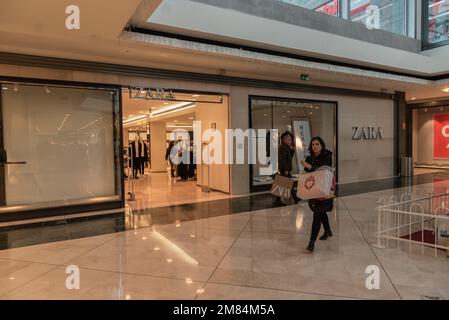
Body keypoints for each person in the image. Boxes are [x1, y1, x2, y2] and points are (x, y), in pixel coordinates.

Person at [301, 136, 334, 253]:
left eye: (317, 144)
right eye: (313, 144)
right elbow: (307, 174)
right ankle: (328, 230)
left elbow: (324, 171)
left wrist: (309, 167)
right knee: (320, 211)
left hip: (324, 189)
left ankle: (311, 242)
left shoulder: (327, 156)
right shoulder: (309, 158)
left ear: (322, 145)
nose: (314, 146)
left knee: (317, 213)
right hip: (313, 190)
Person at [276, 131, 300, 205]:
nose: (290, 141)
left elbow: (289, 158)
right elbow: (282, 159)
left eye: (290, 139)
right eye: (288, 139)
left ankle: (295, 198)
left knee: (286, 183)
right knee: (283, 184)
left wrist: (292, 150)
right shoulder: (284, 147)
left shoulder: (286, 147)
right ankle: (279, 201)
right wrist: (286, 169)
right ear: (283, 140)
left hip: (284, 169)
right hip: (284, 169)